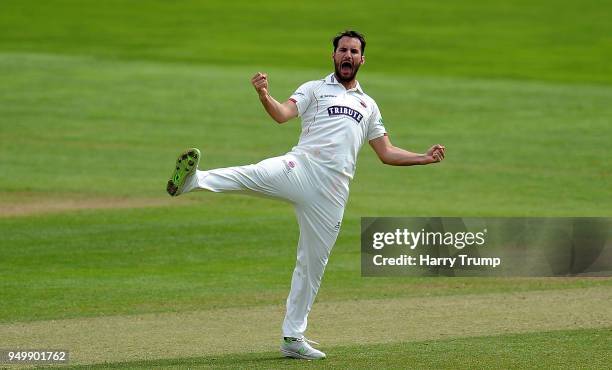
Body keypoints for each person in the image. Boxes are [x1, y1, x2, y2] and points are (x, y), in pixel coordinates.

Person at [166, 30, 445, 360]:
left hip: (332, 193)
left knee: (312, 265)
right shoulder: (314, 89)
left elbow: (385, 152)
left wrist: (424, 158)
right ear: (334, 56)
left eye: (354, 51)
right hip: (301, 167)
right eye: (343, 50)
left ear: (361, 59)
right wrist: (264, 95)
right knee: (253, 173)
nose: (348, 55)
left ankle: (292, 339)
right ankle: (194, 180)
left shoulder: (368, 104)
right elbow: (283, 115)